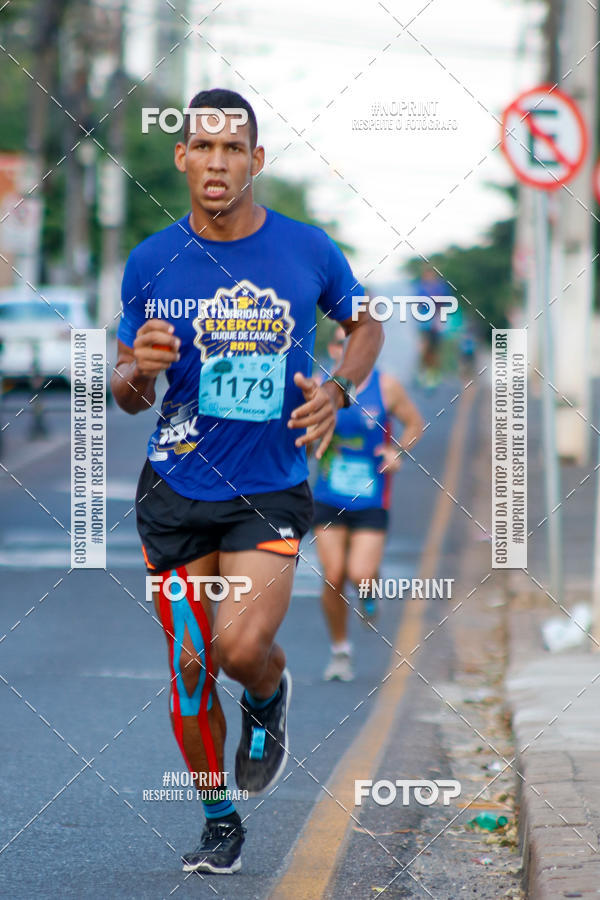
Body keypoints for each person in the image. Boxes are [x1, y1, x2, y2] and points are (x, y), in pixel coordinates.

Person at [111, 88, 382, 875]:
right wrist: (139, 369)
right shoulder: (150, 261)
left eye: (235, 149)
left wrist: (338, 388)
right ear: (183, 157)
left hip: (267, 484)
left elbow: (366, 323)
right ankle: (218, 820)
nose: (219, 162)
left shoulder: (307, 249)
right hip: (173, 486)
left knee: (239, 646)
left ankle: (268, 695)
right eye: (206, 147)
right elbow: (125, 392)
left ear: (256, 161)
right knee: (192, 663)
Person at [313, 326, 423, 682]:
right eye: (341, 345)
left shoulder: (386, 385)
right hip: (328, 495)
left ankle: (370, 586)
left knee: (359, 573)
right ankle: (339, 650)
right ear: (332, 349)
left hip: (372, 496)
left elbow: (414, 424)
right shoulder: (318, 387)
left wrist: (397, 452)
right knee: (333, 576)